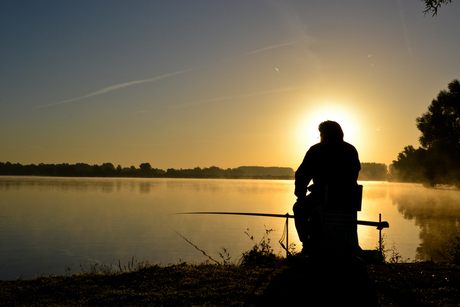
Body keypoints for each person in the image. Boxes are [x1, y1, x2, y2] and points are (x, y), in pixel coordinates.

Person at [293, 120, 361, 256]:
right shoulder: (350, 149)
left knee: (299, 208)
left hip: (325, 198)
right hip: (349, 199)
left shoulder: (317, 150)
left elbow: (302, 174)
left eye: (320, 133)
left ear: (323, 134)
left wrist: (300, 195)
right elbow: (354, 173)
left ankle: (307, 244)